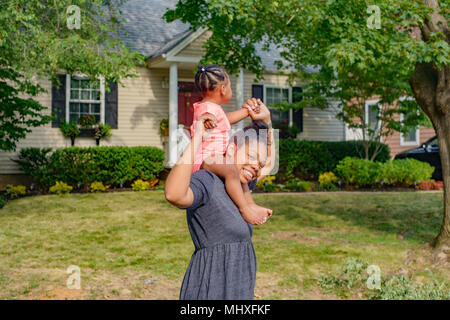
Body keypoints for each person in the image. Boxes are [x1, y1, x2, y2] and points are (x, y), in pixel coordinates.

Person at [164, 99, 275, 299]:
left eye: (259, 163)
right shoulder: (208, 181)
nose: (256, 166)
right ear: (231, 149)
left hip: (239, 289)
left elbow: (267, 165)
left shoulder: (240, 186)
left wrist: (267, 122)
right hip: (211, 289)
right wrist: (198, 136)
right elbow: (174, 194)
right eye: (250, 157)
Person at [191, 64, 271, 225]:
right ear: (223, 89)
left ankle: (251, 204)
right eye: (230, 86)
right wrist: (207, 118)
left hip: (215, 158)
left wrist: (248, 112)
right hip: (206, 160)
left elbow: (225, 119)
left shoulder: (214, 108)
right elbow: (205, 116)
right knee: (231, 170)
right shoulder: (206, 108)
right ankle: (244, 208)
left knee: (239, 177)